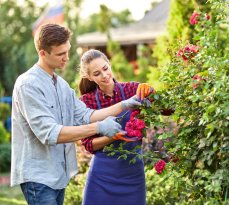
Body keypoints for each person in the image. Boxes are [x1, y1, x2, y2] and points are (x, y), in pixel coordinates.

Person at [10, 24, 141, 205]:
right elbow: (49, 133)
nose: (67, 57)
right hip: (38, 176)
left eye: (67, 51)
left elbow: (86, 115)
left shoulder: (61, 85)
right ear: (42, 53)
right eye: (60, 54)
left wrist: (124, 105)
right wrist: (99, 127)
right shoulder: (28, 85)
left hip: (58, 175)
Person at [78, 49, 154, 205]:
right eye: (97, 73)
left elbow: (166, 108)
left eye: (105, 68)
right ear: (89, 77)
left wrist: (152, 92)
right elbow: (88, 144)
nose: (104, 75)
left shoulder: (132, 89)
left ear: (109, 64)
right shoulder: (87, 102)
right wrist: (110, 137)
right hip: (102, 177)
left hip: (133, 175)